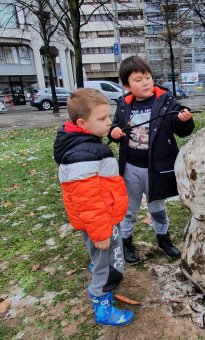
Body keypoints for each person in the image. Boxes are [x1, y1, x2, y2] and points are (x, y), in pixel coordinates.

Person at [53, 88, 134, 327]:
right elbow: (87, 199)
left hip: (95, 220)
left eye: (108, 116)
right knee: (110, 265)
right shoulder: (84, 154)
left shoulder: (82, 144)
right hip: (102, 223)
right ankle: (102, 303)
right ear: (82, 123)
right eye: (102, 119)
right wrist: (101, 231)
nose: (109, 122)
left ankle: (97, 263)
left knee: (98, 255)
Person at [109, 56, 195, 265]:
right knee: (128, 209)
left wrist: (185, 120)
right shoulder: (123, 105)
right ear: (127, 85)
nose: (146, 82)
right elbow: (113, 129)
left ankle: (163, 238)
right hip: (130, 168)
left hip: (156, 169)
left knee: (157, 207)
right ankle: (126, 241)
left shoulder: (166, 101)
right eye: (138, 79)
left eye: (147, 77)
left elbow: (182, 130)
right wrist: (114, 132)